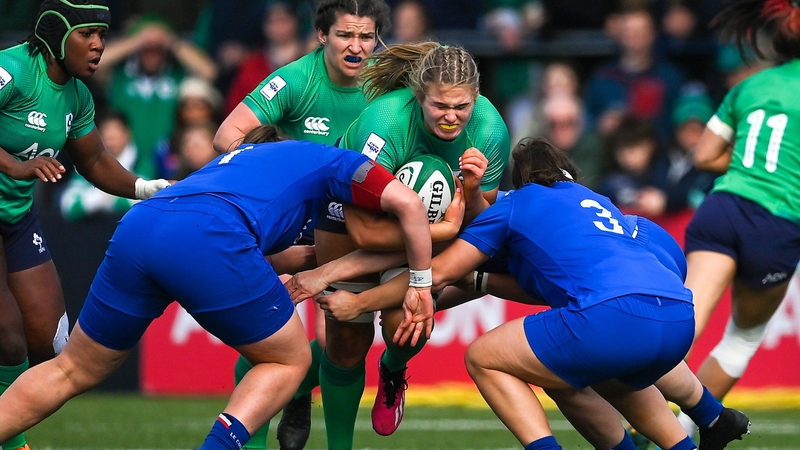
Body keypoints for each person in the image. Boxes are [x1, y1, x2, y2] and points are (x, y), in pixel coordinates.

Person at [285, 137, 751, 450]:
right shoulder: (611, 209)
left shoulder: (514, 205)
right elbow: (664, 270)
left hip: (612, 318)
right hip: (675, 319)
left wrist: (358, 301)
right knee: (579, 373)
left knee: (484, 357)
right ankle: (705, 419)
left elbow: (437, 273)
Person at [0, 123, 435, 450]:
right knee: (288, 361)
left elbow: (272, 253)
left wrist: (323, 267)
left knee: (71, 368)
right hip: (208, 237)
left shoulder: (236, 164)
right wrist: (419, 279)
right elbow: (408, 203)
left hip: (143, 224)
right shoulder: (334, 159)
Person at [307, 41, 508, 448]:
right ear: (419, 97)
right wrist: (441, 233)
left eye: (462, 107)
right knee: (346, 342)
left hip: (428, 225)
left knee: (410, 327)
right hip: (349, 210)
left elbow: (480, 226)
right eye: (439, 106)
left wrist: (470, 190)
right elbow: (364, 232)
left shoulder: (490, 130)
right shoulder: (384, 124)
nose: (452, 118)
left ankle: (393, 370)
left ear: (476, 98)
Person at [212, 1, 392, 448]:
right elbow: (226, 138)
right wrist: (286, 175)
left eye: (366, 37)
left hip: (357, 225)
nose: (356, 47)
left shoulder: (389, 85)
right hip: (295, 224)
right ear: (321, 36)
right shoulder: (295, 79)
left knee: (347, 342)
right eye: (345, 36)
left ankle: (299, 397)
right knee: (270, 340)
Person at [0, 1, 170, 449]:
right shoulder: (12, 69)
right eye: (87, 33)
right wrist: (14, 168)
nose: (98, 45)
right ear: (56, 34)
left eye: (102, 34)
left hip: (16, 218)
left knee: (51, 346)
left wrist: (143, 187)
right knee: (7, 337)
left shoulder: (77, 96)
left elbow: (92, 158)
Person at [670, 0, 800, 439]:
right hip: (776, 225)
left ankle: (632, 415)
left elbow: (704, 155)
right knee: (741, 340)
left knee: (679, 327)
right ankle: (678, 433)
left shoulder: (751, 85)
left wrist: (753, 167)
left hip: (723, 209)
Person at [96, 14, 217, 179]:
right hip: (123, 161)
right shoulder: (121, 77)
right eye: (146, 50)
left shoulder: (176, 75)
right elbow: (96, 63)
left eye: (157, 50)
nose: (152, 55)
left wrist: (170, 41)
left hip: (166, 165)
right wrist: (137, 40)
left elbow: (210, 72)